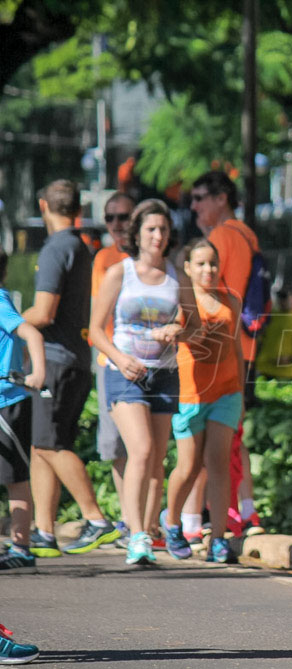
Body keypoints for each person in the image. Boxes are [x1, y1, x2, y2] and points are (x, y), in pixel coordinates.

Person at [23, 180, 118, 557]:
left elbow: (43, 312)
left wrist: (10, 323)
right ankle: (44, 534)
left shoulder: (55, 248)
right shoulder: (80, 246)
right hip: (74, 359)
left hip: (57, 362)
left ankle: (96, 520)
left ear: (44, 205)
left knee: (51, 444)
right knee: (40, 447)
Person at [89, 199, 182, 565]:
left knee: (157, 458)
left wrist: (178, 327)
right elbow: (95, 330)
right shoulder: (119, 272)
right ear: (137, 234)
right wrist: (120, 358)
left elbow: (192, 322)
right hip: (125, 373)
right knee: (140, 450)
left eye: (163, 229)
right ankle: (136, 533)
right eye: (150, 229)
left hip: (165, 374)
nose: (158, 236)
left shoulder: (177, 275)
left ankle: (144, 534)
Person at [186, 171, 261, 539]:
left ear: (221, 198)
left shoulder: (219, 237)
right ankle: (245, 510)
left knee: (215, 446)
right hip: (244, 344)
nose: (194, 205)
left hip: (221, 352)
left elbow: (214, 297)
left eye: (200, 197)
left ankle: (223, 514)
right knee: (232, 439)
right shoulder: (246, 232)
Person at [160, 238, 244, 563]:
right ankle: (172, 524)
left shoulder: (230, 300)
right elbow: (172, 333)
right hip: (190, 395)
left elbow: (236, 348)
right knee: (189, 466)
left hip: (227, 392)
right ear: (187, 268)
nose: (208, 270)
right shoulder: (182, 302)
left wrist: (242, 393)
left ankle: (219, 539)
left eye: (212, 263)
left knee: (219, 463)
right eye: (200, 264)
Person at [0, 248, 47, 570]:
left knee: (15, 477)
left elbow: (30, 333)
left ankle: (21, 548)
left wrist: (37, 373)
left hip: (7, 403)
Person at [91, 192, 134, 543]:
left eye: (124, 217)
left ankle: (144, 522)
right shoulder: (105, 258)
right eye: (111, 218)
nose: (117, 225)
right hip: (110, 359)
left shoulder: (155, 259)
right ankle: (127, 521)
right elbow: (100, 314)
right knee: (116, 446)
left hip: (147, 361)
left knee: (147, 447)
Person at [254, 285, 292, 381]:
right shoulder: (272, 315)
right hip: (265, 370)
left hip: (289, 375)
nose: (282, 301)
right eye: (280, 297)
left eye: (285, 297)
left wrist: (289, 359)